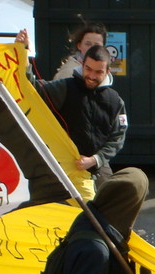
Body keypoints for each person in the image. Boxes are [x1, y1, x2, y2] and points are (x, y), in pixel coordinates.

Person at [33, 44, 127, 185]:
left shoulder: (115, 101)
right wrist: (22, 50)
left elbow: (118, 137)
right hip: (64, 170)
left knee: (110, 204)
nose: (91, 76)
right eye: (88, 69)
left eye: (98, 72)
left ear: (108, 71)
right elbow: (32, 89)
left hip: (99, 169)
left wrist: (95, 160)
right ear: (82, 64)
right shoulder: (64, 88)